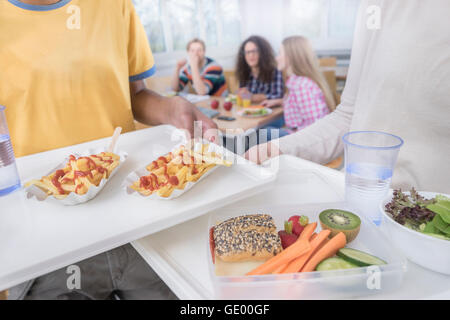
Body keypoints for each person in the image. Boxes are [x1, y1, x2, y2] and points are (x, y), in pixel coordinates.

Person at [1, 0, 217, 299]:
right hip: (46, 243)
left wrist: (170, 110)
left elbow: (135, 96)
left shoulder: (115, 5)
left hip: (137, 217)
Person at [246, 0, 450, 195]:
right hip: (355, 190)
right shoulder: (372, 7)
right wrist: (278, 148)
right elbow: (348, 115)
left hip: (429, 211)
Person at [260, 36, 336, 141]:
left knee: (262, 133)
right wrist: (279, 101)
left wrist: (293, 137)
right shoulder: (299, 82)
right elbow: (300, 103)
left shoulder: (301, 86)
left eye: (280, 53)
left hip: (305, 140)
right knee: (264, 130)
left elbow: (315, 127)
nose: (277, 58)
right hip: (299, 133)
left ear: (291, 57)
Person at [236, 35, 284, 104]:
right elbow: (244, 96)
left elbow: (278, 96)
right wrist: (242, 94)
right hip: (250, 112)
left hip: (271, 112)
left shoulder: (275, 70)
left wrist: (254, 97)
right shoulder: (244, 71)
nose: (251, 55)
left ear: (263, 52)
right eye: (247, 52)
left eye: (255, 51)